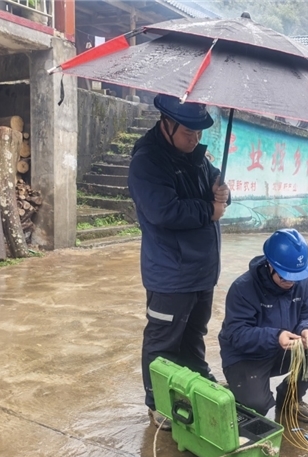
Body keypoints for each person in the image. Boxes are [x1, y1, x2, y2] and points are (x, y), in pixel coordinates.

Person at [128, 94, 230, 430]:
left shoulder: (196, 157)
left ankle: (196, 382)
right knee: (163, 341)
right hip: (171, 273)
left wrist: (223, 194)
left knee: (194, 335)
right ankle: (157, 402)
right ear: (166, 124)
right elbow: (163, 210)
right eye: (189, 132)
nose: (195, 138)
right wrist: (209, 210)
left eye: (199, 133)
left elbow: (216, 188)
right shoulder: (148, 161)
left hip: (202, 272)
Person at [218, 229, 308, 423]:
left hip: (282, 349)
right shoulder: (243, 288)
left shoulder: (301, 283)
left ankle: (290, 398)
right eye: (285, 277)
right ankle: (237, 389)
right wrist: (276, 337)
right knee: (257, 406)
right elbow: (236, 334)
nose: (290, 283)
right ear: (270, 264)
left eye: (296, 277)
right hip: (245, 357)